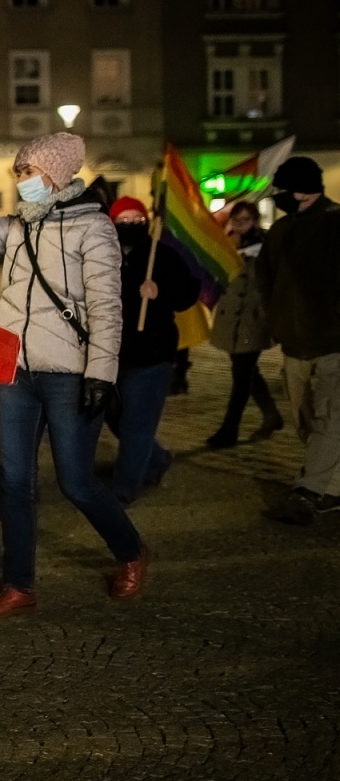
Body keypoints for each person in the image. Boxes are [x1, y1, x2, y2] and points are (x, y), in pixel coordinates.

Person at [0, 133, 149, 619]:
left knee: (76, 482)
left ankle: (131, 551)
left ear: (56, 174)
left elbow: (109, 309)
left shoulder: (93, 228)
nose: (19, 180)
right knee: (14, 482)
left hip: (70, 375)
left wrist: (101, 374)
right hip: (17, 372)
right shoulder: (18, 228)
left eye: (26, 171)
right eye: (18, 172)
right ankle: (19, 585)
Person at [258, 155, 340, 524]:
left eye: (283, 189)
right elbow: (267, 279)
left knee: (328, 420)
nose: (278, 196)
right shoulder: (281, 230)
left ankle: (310, 491)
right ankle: (333, 489)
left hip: (333, 344)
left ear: (304, 190)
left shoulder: (336, 223)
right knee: (306, 422)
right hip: (294, 346)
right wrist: (276, 321)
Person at [104, 197, 200, 504]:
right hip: (111, 354)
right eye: (124, 221)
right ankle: (157, 458)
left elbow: (188, 292)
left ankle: (124, 488)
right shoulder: (102, 255)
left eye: (137, 220)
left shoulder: (163, 255)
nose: (131, 226)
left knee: (137, 422)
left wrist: (161, 292)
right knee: (113, 415)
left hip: (152, 354)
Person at [207, 200, 283, 448]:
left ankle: (229, 430)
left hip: (253, 318)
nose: (239, 225)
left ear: (255, 221)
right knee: (248, 372)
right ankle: (272, 415)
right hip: (231, 319)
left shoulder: (266, 245)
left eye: (245, 220)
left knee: (241, 376)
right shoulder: (225, 242)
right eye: (236, 220)